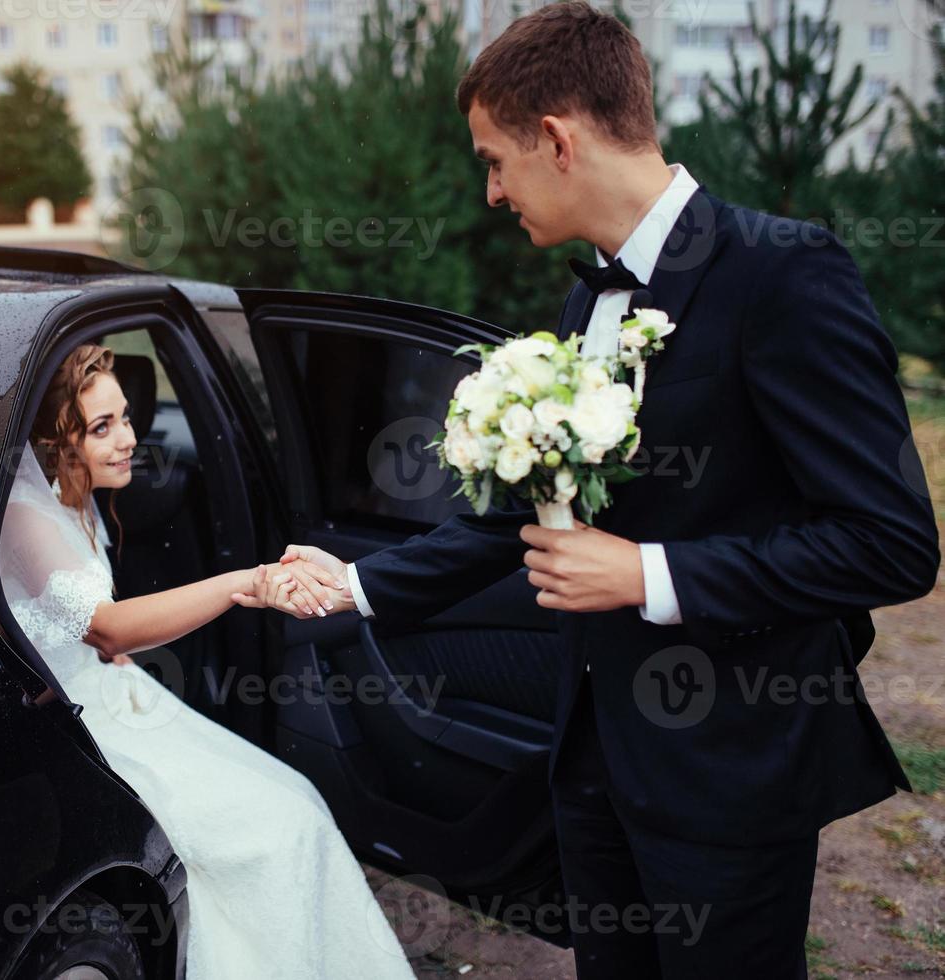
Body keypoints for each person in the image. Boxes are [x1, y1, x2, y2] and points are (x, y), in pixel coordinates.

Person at [254, 4, 941, 977]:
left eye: (495, 160)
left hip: (727, 772)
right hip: (592, 764)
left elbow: (889, 541)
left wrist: (647, 572)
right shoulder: (588, 299)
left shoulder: (784, 275)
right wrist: (353, 582)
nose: (492, 192)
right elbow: (522, 517)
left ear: (557, 139)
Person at [0, 343, 418, 980]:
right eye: (101, 428)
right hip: (82, 731)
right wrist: (240, 584)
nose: (127, 440)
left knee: (297, 798)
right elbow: (108, 629)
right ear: (56, 442)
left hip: (119, 694)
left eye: (127, 419)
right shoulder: (25, 517)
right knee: (275, 831)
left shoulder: (74, 496)